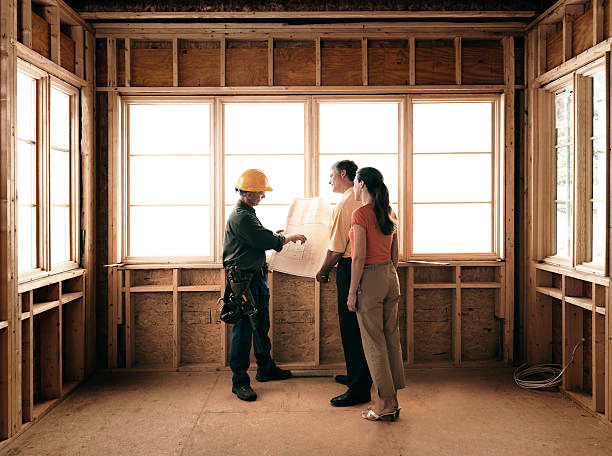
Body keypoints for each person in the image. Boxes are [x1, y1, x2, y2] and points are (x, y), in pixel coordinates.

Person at [223, 169, 307, 402]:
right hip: (243, 281)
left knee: (260, 325)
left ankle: (265, 368)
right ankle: (239, 382)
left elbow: (258, 237)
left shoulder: (247, 212)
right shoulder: (241, 215)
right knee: (243, 331)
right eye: (260, 192)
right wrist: (288, 237)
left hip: (254, 278)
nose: (263, 196)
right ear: (248, 193)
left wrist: (274, 234)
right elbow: (264, 240)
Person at [347, 167, 405, 422]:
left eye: (355, 184)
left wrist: (351, 293)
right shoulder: (389, 212)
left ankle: (384, 405)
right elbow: (395, 255)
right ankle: (393, 400)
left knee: (374, 343)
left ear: (360, 184)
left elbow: (358, 257)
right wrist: (389, 275)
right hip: (390, 277)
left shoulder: (360, 214)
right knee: (391, 339)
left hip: (370, 279)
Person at [316, 160, 372, 407]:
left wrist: (323, 270)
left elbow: (337, 248)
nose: (329, 181)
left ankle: (358, 388)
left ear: (343, 174)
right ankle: (357, 376)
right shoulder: (367, 200)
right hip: (372, 269)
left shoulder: (345, 204)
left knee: (350, 327)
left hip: (350, 267)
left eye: (331, 176)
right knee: (361, 327)